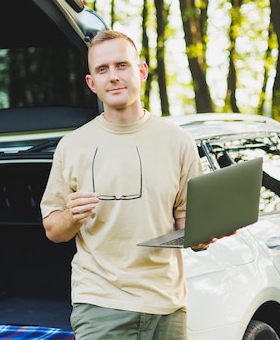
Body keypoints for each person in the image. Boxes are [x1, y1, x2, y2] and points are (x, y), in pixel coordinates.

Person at [40, 30, 208, 340]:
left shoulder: (178, 142)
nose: (113, 77)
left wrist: (207, 232)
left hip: (167, 305)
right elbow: (53, 230)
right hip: (101, 305)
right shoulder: (72, 146)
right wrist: (72, 216)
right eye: (102, 70)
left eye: (122, 65)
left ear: (141, 71)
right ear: (92, 83)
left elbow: (190, 231)